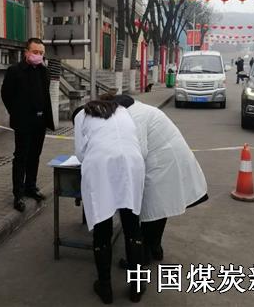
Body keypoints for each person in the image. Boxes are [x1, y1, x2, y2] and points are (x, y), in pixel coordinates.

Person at [110, 95, 208, 266]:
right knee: (160, 209)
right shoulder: (142, 109)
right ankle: (155, 248)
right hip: (169, 159)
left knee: (151, 210)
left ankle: (142, 256)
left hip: (163, 164)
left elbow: (138, 152)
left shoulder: (134, 117)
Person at [72, 101, 146, 304]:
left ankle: (105, 287)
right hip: (132, 163)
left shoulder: (81, 116)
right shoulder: (121, 111)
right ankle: (137, 286)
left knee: (102, 224)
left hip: (101, 165)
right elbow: (136, 142)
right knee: (132, 226)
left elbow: (80, 154)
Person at [1, 38, 54, 213]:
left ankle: (31, 186)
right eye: (35, 52)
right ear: (26, 52)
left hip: (40, 121)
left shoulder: (44, 71)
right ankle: (18, 194)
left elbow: (45, 96)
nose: (38, 55)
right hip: (23, 122)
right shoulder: (15, 71)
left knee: (35, 155)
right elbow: (6, 95)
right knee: (21, 157)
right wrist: (16, 113)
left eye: (41, 53)